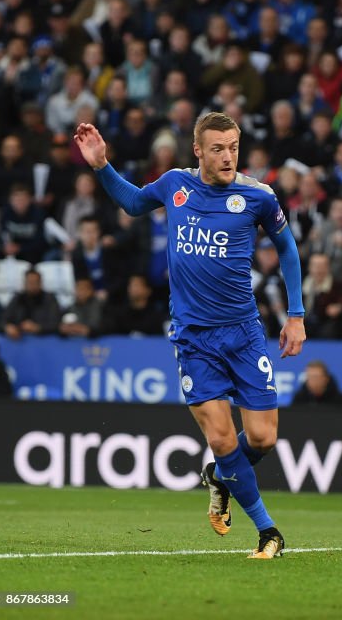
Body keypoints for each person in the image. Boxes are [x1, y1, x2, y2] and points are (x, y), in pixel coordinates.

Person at [73, 113, 305, 560]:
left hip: (243, 334)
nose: (228, 156)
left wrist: (295, 315)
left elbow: (288, 247)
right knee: (221, 438)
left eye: (234, 146)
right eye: (218, 148)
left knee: (262, 439)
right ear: (197, 150)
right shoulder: (175, 184)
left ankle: (221, 476)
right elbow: (134, 203)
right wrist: (102, 165)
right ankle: (268, 531)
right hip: (194, 339)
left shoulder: (257, 196)